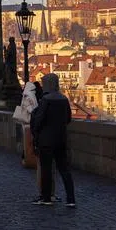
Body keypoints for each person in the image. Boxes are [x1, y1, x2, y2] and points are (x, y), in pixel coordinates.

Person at [30, 73, 76, 207]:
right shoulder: (64, 99)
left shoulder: (46, 100)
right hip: (61, 138)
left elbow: (39, 120)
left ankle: (46, 198)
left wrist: (36, 132)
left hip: (46, 140)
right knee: (64, 169)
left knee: (46, 169)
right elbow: (68, 118)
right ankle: (71, 199)